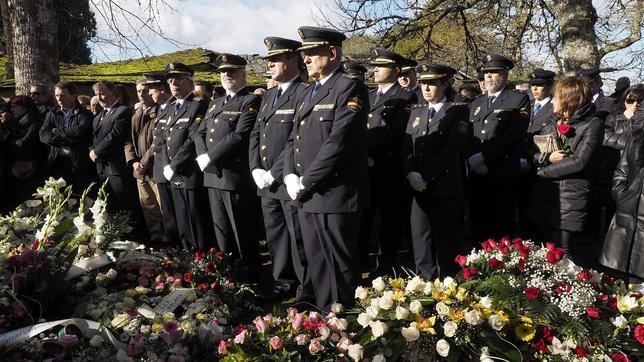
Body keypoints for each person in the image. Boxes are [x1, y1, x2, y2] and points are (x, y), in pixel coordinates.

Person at [282, 26, 369, 311]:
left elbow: (339, 143)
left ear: (332, 53)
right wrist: (289, 174)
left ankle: (344, 324)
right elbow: (294, 139)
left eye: (311, 53)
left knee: (339, 266)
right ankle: (323, 320)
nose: (305, 59)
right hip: (308, 195)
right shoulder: (309, 91)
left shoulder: (348, 86)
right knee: (318, 262)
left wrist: (307, 180)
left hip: (334, 193)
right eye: (303, 54)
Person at [249, 37, 312, 300]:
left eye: (275, 59)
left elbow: (294, 139)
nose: (270, 64)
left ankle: (304, 288)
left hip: (287, 178)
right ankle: (282, 281)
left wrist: (274, 172)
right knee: (276, 236)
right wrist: (255, 168)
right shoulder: (271, 95)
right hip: (265, 181)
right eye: (268, 60)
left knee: (297, 238)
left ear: (293, 60)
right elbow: (256, 132)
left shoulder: (304, 92)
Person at [192, 53, 262, 276]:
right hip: (213, 175)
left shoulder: (250, 100)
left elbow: (240, 135)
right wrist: (203, 156)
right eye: (223, 72)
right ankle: (229, 273)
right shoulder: (214, 104)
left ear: (243, 74)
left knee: (241, 229)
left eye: (231, 71)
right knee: (221, 229)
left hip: (233, 176)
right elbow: (199, 132)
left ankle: (250, 273)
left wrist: (210, 156)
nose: (226, 75)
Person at [402, 63, 471, 280]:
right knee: (420, 239)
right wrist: (410, 172)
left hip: (445, 187)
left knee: (446, 241)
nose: (426, 88)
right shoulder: (417, 112)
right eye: (423, 83)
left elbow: (452, 149)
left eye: (432, 83)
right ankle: (424, 282)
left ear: (444, 84)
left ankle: (448, 286)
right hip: (418, 188)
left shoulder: (458, 111)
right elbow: (406, 146)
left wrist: (425, 175)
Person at [359, 48, 417, 275]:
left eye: (380, 66)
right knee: (363, 215)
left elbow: (397, 133)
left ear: (395, 70)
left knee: (389, 218)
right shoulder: (368, 96)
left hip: (388, 166)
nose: (374, 70)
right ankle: (360, 261)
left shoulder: (406, 97)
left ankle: (385, 265)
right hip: (365, 165)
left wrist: (366, 148)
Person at [529, 76, 602, 249]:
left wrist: (541, 172)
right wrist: (546, 158)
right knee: (541, 252)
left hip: (570, 198)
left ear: (569, 100)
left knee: (562, 254)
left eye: (557, 97)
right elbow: (532, 151)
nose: (553, 101)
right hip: (545, 196)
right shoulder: (552, 121)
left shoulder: (593, 124)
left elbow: (579, 161)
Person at [467, 54, 530, 242]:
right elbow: (467, 134)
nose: (488, 77)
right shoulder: (476, 102)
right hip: (476, 172)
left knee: (502, 227)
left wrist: (483, 157)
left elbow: (512, 135)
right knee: (479, 224)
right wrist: (474, 159)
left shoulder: (517, 99)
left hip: (501, 170)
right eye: (486, 73)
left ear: (505, 75)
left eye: (494, 73)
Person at [160, 62, 211, 250]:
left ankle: (202, 259)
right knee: (181, 218)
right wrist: (166, 165)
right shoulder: (171, 107)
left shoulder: (198, 105)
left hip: (189, 172)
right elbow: (164, 139)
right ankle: (188, 256)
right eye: (170, 79)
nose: (173, 83)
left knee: (195, 220)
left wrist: (173, 165)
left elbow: (192, 138)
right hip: (173, 173)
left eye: (179, 79)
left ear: (190, 82)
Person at [600, 102, 644, 283]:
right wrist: (621, 195)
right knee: (616, 287)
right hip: (625, 218)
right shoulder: (638, 137)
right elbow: (622, 171)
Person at [595, 85, 644, 239]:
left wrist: (632, 122)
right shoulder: (613, 117)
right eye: (631, 100)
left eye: (640, 102)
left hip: (630, 172)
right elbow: (606, 138)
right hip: (610, 166)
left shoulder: (640, 122)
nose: (634, 104)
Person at [90, 81, 140, 217]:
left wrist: (97, 151)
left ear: (113, 93)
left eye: (102, 94)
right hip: (102, 167)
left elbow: (116, 136)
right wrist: (91, 150)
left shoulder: (122, 111)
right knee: (109, 204)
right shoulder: (98, 117)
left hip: (117, 167)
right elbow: (94, 138)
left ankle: (132, 233)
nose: (99, 97)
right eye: (96, 94)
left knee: (126, 204)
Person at [124, 77, 165, 244]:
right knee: (148, 206)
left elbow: (159, 140)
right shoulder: (136, 114)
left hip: (155, 167)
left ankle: (169, 240)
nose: (142, 94)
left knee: (163, 207)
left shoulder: (161, 111)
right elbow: (127, 140)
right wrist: (133, 161)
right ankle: (155, 238)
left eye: (146, 90)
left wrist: (144, 161)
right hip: (139, 170)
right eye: (139, 91)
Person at [39, 81, 96, 194]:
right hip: (57, 162)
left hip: (79, 164)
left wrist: (56, 131)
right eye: (57, 96)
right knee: (60, 197)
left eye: (63, 95)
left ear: (74, 96)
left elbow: (79, 132)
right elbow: (43, 134)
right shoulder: (53, 113)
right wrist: (61, 141)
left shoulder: (84, 114)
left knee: (79, 197)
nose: (59, 99)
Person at [147, 72, 180, 246]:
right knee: (167, 210)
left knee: (175, 212)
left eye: (152, 88)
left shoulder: (174, 107)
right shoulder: (161, 108)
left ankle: (177, 246)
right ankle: (172, 244)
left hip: (171, 168)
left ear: (161, 89)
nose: (149, 92)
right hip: (160, 168)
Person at [0, 95, 46, 208]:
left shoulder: (35, 122)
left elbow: (23, 144)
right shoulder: (17, 122)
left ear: (25, 107)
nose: (12, 110)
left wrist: (7, 140)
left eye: (15, 107)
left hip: (30, 168)